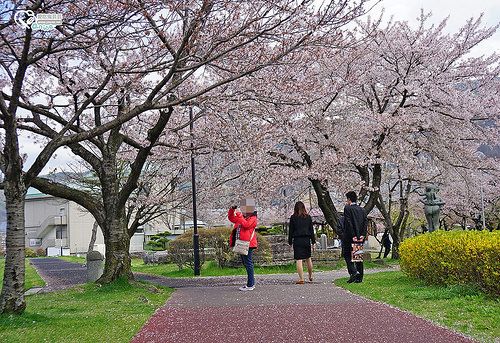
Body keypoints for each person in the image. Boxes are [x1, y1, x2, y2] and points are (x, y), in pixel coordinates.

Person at [228, 198, 258, 291]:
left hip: (248, 244)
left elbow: (246, 225)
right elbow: (232, 218)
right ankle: (250, 283)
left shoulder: (253, 219)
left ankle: (250, 285)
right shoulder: (241, 217)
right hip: (241, 243)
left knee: (248, 264)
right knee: (246, 263)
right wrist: (231, 210)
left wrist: (239, 215)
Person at [342, 191, 368, 283]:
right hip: (359, 237)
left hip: (349, 237)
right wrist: (362, 235)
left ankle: (353, 272)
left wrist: (353, 235)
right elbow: (365, 223)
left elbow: (348, 222)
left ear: (349, 199)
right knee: (358, 256)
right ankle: (359, 277)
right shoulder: (362, 210)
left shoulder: (347, 209)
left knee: (347, 255)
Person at [288, 201, 316, 284]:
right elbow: (311, 230)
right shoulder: (308, 217)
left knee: (299, 260)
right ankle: (310, 275)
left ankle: (301, 279)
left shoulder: (293, 218)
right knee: (308, 258)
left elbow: (291, 231)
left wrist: (290, 241)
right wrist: (313, 242)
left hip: (297, 240)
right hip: (306, 240)